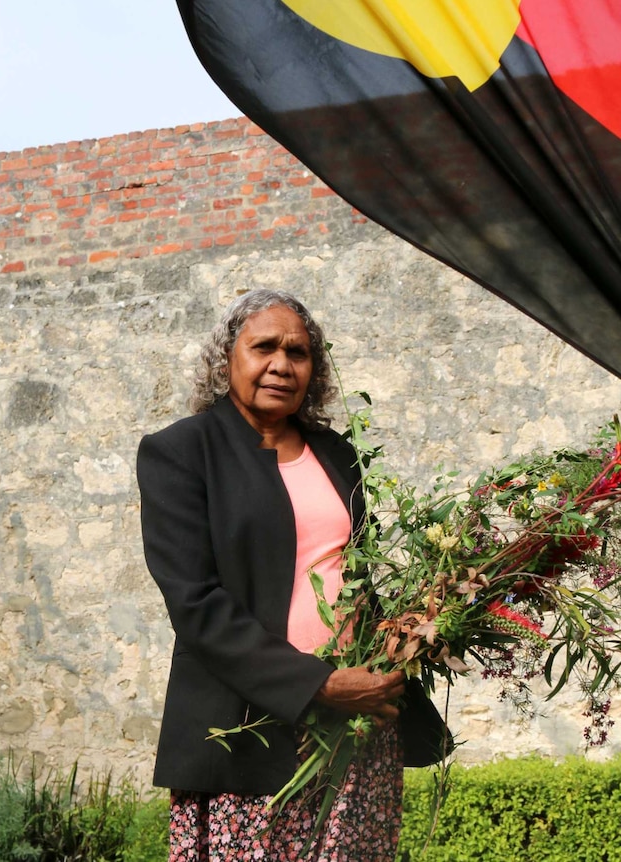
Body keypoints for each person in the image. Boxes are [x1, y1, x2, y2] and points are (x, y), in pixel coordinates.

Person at [137, 289, 415, 861]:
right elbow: (196, 605)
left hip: (353, 726)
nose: (282, 365)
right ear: (226, 358)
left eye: (299, 353)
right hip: (246, 729)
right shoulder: (181, 453)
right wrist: (318, 685)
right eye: (264, 346)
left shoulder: (338, 454)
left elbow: (357, 571)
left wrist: (401, 638)